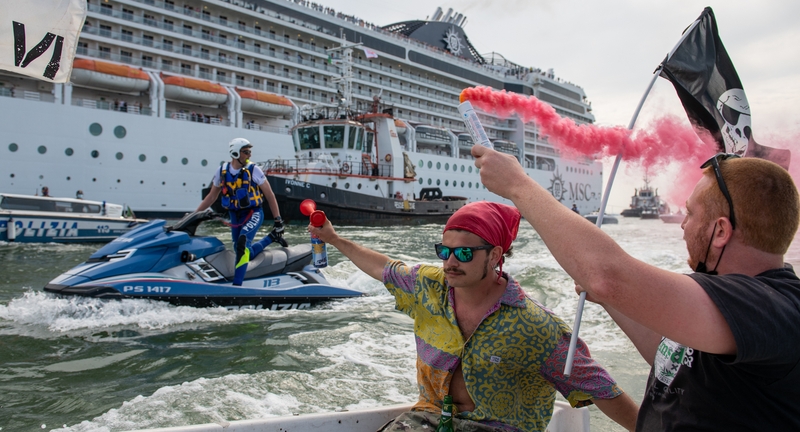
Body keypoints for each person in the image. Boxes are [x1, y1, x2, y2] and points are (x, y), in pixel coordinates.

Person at [473, 147, 800, 430]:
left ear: (720, 231)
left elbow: (608, 274)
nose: (683, 226)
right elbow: (671, 358)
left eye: (690, 214)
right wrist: (608, 298)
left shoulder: (771, 307)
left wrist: (517, 184)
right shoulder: (742, 310)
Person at [309, 201, 638, 432]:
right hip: (429, 420)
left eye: (464, 253)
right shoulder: (428, 287)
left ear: (495, 255)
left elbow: (599, 387)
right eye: (445, 251)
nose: (451, 262)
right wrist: (335, 240)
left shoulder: (536, 328)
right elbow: (383, 268)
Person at [195, 138, 285, 286]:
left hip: (254, 213)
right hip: (235, 216)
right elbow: (211, 197)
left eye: (250, 152)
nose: (249, 155)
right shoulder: (222, 171)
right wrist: (194, 214)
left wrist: (278, 220)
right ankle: (271, 238)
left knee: (242, 244)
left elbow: (269, 195)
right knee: (243, 252)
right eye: (246, 152)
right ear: (235, 152)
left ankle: (237, 285)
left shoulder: (254, 170)